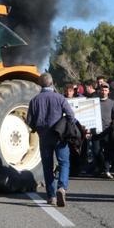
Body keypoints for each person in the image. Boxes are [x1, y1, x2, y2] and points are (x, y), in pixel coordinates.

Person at [26, 73, 75, 207]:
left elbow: (29, 121)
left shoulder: (34, 100)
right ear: (52, 83)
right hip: (59, 136)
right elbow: (71, 115)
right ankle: (62, 187)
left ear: (40, 84)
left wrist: (37, 128)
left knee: (47, 167)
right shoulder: (59, 98)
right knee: (64, 162)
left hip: (44, 137)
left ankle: (51, 196)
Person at [89, 82, 114, 178]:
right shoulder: (94, 102)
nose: (104, 92)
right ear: (99, 91)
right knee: (96, 151)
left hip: (107, 131)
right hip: (96, 131)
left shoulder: (112, 103)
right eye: (102, 90)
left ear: (108, 91)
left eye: (105, 90)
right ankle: (100, 167)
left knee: (108, 151)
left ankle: (106, 170)